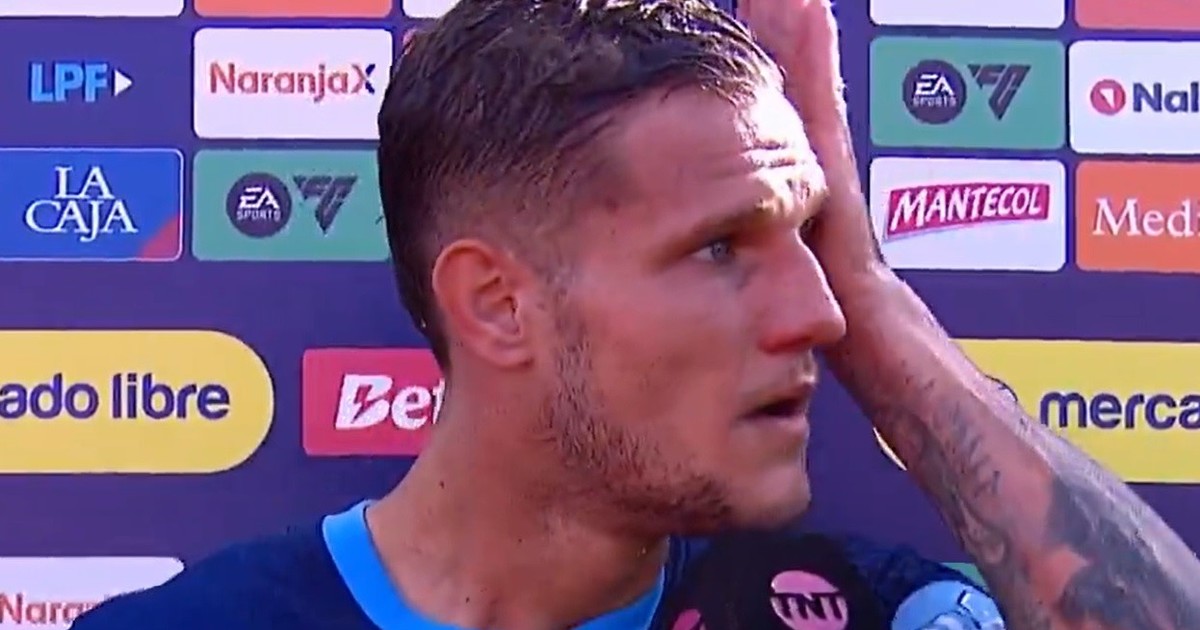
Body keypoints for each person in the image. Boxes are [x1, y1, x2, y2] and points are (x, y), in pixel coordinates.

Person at [71, 0, 1200, 628]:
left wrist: (881, 313)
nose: (814, 315)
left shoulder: (847, 614)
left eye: (808, 238)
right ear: (498, 306)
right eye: (720, 247)